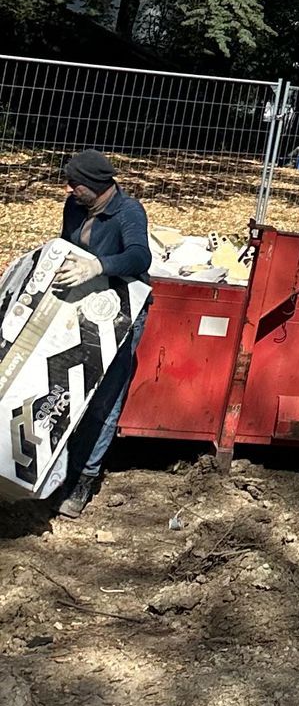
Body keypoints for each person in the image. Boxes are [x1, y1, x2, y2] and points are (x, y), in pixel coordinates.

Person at [53, 148, 152, 520]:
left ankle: (84, 478)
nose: (69, 188)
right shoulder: (75, 207)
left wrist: (99, 265)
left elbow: (140, 258)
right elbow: (65, 244)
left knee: (104, 400)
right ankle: (58, 470)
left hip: (121, 312)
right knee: (67, 391)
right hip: (81, 307)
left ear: (95, 186)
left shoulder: (128, 212)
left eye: (75, 183)